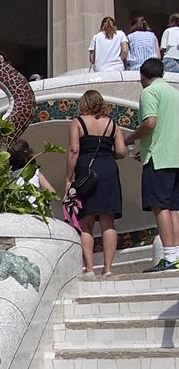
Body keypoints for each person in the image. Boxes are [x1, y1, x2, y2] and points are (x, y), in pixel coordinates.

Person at [65, 90, 126, 277]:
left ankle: (90, 269)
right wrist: (107, 154)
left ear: (84, 103)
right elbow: (121, 151)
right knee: (108, 222)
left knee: (86, 222)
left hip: (87, 172)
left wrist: (68, 178)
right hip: (108, 169)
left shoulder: (78, 122)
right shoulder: (112, 124)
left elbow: (74, 151)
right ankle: (108, 269)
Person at [125, 58, 179, 272]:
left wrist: (130, 139)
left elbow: (150, 122)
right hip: (175, 156)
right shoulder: (174, 93)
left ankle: (169, 256)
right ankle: (176, 254)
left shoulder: (149, 92)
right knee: (175, 208)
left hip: (159, 158)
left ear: (142, 76)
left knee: (160, 206)